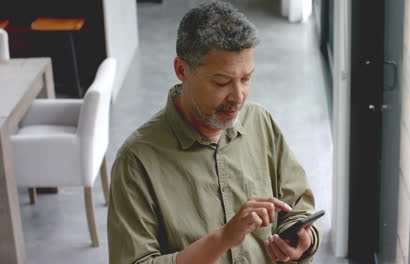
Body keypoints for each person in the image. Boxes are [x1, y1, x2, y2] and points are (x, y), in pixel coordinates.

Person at [107, 1, 320, 263]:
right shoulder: (137, 161)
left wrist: (303, 240)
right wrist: (223, 238)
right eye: (222, 82)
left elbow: (298, 205)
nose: (238, 97)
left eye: (246, 79)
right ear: (181, 70)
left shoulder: (259, 122)